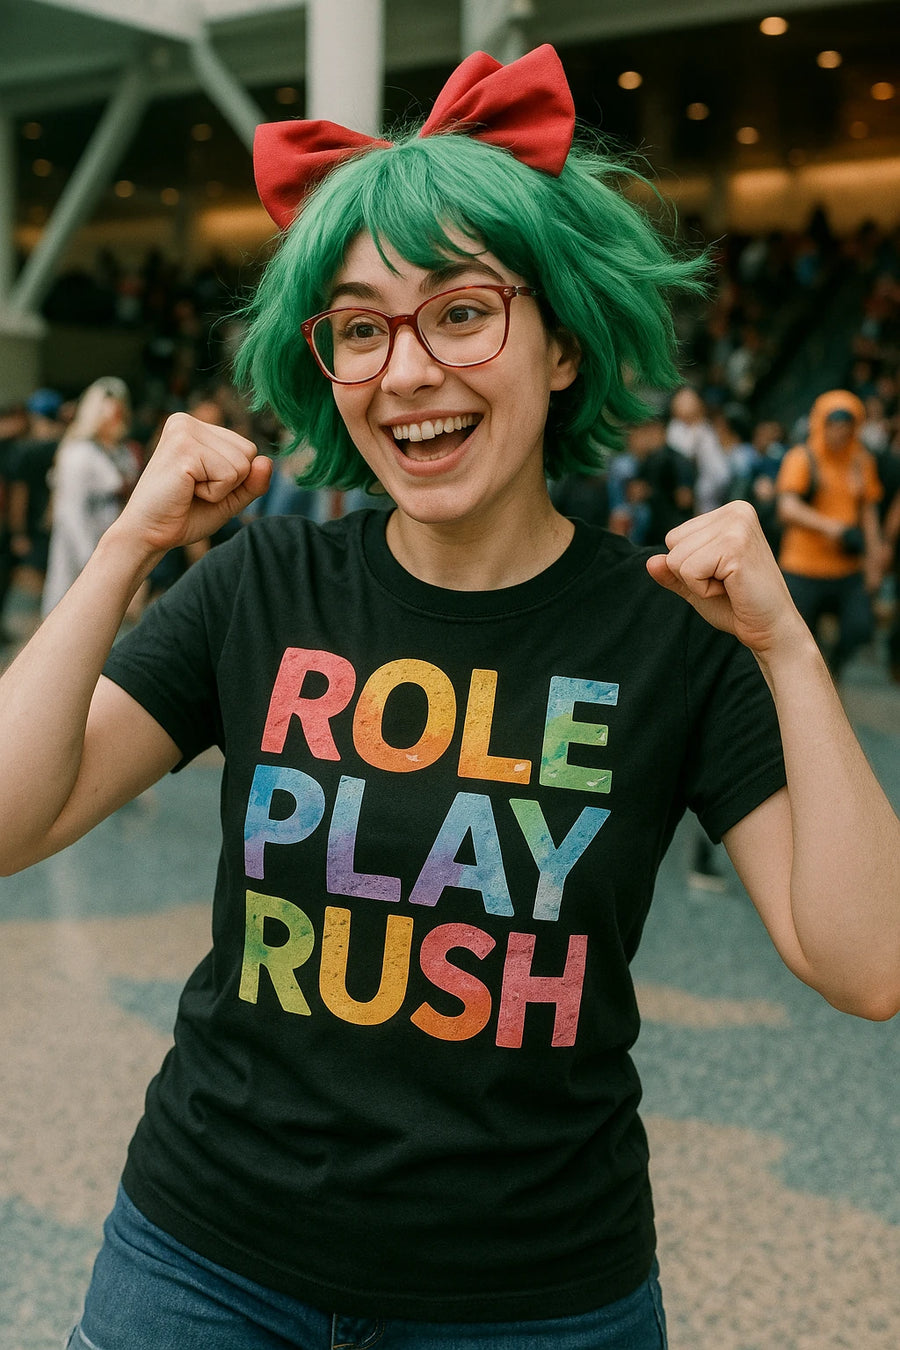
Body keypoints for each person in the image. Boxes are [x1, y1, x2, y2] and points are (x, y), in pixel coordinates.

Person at [0, 45, 898, 1350]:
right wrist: (128, 546)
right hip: (203, 1263)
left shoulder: (669, 631)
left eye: (462, 311)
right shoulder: (269, 581)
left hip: (533, 1296)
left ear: (567, 344)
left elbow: (866, 962)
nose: (406, 368)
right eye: (361, 327)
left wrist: (790, 649)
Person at [776, 389, 883, 678]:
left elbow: (869, 512)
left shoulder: (861, 461)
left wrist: (875, 559)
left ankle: (834, 663)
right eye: (834, 426)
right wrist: (831, 527)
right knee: (797, 635)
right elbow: (787, 506)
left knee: (860, 627)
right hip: (802, 566)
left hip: (846, 569)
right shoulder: (802, 457)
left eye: (847, 427)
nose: (840, 433)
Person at [40, 376, 141, 617]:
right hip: (81, 553)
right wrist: (92, 563)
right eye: (109, 411)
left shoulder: (121, 452)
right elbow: (70, 513)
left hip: (113, 547)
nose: (115, 418)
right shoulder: (78, 453)